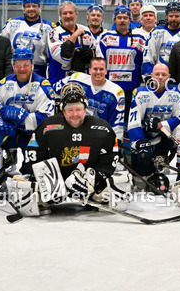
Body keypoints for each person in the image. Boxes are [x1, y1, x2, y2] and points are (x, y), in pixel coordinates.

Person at [10, 83, 125, 217]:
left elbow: (111, 159)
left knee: (119, 185)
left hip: (87, 181)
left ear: (85, 109)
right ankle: (45, 200)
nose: (74, 114)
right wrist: (50, 182)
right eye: (70, 110)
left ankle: (93, 196)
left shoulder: (103, 128)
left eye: (78, 109)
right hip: (56, 181)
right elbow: (32, 158)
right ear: (63, 111)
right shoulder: (47, 127)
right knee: (25, 187)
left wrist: (92, 178)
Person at [127, 63, 180, 193]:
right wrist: (140, 142)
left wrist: (161, 125)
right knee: (141, 185)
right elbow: (133, 121)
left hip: (166, 137)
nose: (160, 77)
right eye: (157, 74)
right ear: (151, 76)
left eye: (163, 75)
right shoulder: (141, 93)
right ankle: (149, 169)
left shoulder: (176, 92)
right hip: (146, 139)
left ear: (169, 77)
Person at [60, 56, 126, 141]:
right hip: (75, 130)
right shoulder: (77, 79)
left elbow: (117, 124)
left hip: (100, 135)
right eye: (95, 69)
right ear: (89, 70)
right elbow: (56, 89)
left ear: (106, 71)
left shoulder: (116, 91)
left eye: (101, 69)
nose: (98, 72)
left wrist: (115, 143)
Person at [98, 5, 147, 109]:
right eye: (119, 18)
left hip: (132, 87)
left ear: (130, 20)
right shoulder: (106, 37)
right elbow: (100, 62)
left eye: (125, 18)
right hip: (110, 87)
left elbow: (144, 63)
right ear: (114, 20)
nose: (122, 20)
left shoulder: (139, 39)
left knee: (128, 118)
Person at [0, 0, 52, 77]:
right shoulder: (12, 23)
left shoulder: (48, 27)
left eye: (34, 6)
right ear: (24, 8)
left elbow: (51, 54)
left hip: (39, 70)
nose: (31, 9)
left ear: (39, 8)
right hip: (15, 67)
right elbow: (2, 46)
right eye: (28, 6)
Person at [46, 1, 99, 84]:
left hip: (83, 82)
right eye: (65, 13)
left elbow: (97, 54)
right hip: (59, 81)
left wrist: (91, 55)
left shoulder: (86, 31)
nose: (68, 16)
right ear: (60, 16)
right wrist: (75, 35)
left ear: (76, 14)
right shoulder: (54, 33)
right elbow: (63, 56)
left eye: (71, 13)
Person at [142, 1, 180, 78]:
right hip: (160, 77)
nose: (173, 19)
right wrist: (148, 76)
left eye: (176, 16)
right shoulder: (156, 32)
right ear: (166, 16)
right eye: (171, 16)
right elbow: (149, 55)